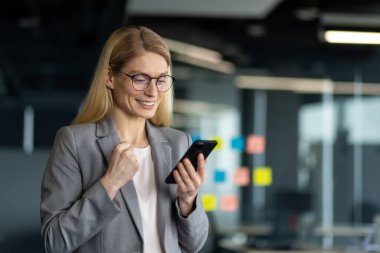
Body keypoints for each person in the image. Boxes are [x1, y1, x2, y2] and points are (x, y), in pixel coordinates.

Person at [40, 25, 209, 253]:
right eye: (140, 79)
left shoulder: (179, 143)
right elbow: (55, 243)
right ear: (110, 77)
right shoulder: (75, 142)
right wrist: (109, 183)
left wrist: (189, 201)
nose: (153, 92)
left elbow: (195, 245)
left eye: (161, 80)